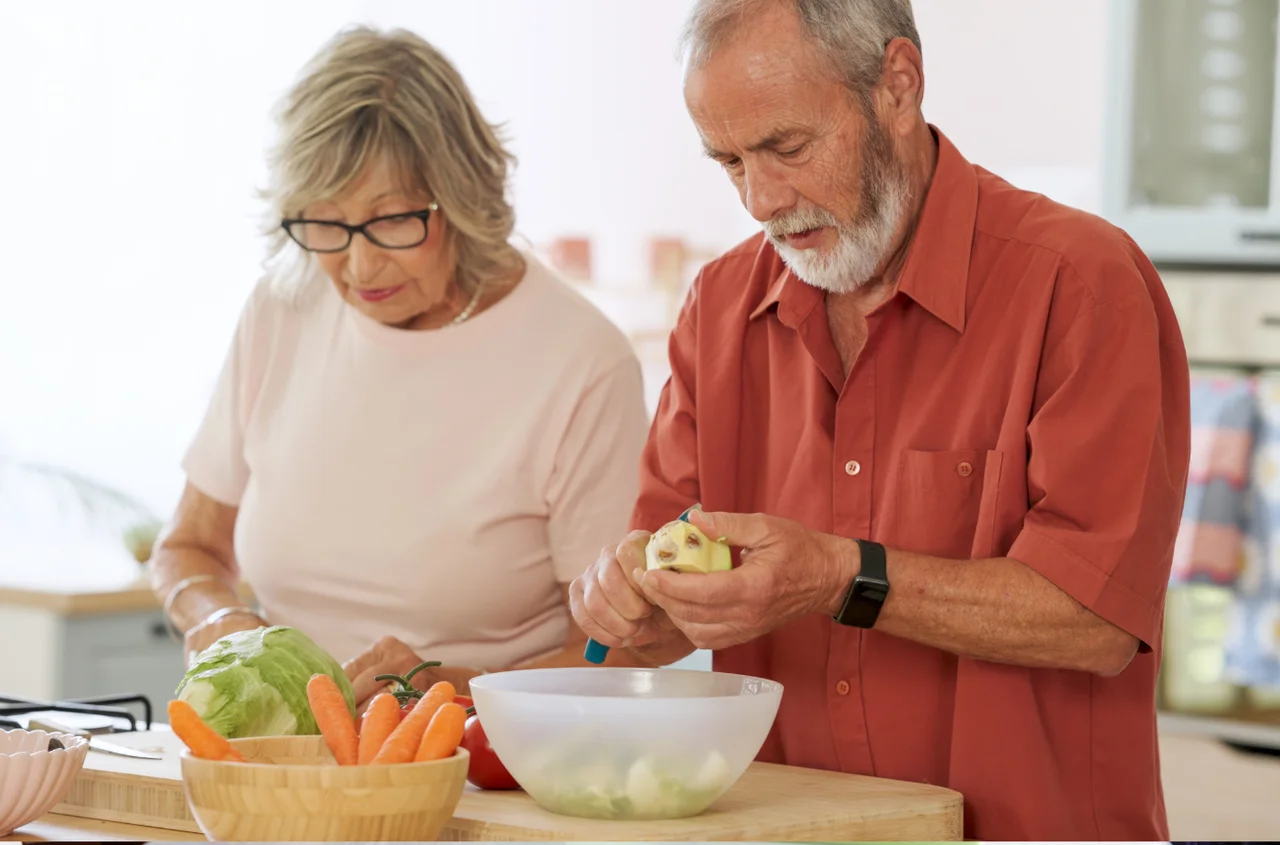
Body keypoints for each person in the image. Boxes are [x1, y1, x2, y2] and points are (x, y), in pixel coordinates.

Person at [568, 0, 1191, 840]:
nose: (759, 199)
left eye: (788, 148)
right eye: (729, 162)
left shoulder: (1080, 282)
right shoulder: (717, 308)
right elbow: (665, 604)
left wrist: (839, 575)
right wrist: (630, 602)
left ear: (898, 84)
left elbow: (1097, 618)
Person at [150, 25, 650, 711]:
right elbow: (188, 546)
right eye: (323, 223)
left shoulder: (582, 362)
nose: (358, 267)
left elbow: (612, 650)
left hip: (476, 771)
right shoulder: (284, 305)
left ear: (464, 198)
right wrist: (216, 621)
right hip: (281, 767)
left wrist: (457, 690)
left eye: (390, 222)